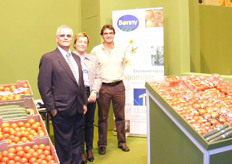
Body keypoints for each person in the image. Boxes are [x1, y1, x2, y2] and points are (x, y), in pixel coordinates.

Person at [38, 25, 88, 164]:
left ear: (72, 39)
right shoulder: (49, 58)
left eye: (68, 36)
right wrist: (52, 109)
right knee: (64, 145)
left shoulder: (76, 58)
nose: (66, 38)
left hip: (78, 109)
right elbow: (44, 86)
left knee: (77, 143)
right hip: (60, 110)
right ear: (57, 38)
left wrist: (84, 102)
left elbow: (81, 83)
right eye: (62, 35)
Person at [90, 24, 130, 155]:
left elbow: (123, 65)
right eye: (106, 33)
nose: (108, 35)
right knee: (102, 117)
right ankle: (102, 144)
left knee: (120, 116)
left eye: (111, 33)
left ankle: (122, 142)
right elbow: (92, 68)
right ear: (102, 36)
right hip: (103, 87)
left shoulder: (121, 49)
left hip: (118, 86)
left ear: (114, 35)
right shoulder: (96, 50)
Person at [73, 32, 102, 163]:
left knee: (89, 123)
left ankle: (89, 148)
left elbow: (98, 77)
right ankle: (80, 151)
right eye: (80, 42)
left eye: (85, 42)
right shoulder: (69, 58)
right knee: (79, 124)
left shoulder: (93, 59)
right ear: (75, 43)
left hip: (90, 92)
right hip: (75, 95)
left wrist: (94, 91)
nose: (83, 44)